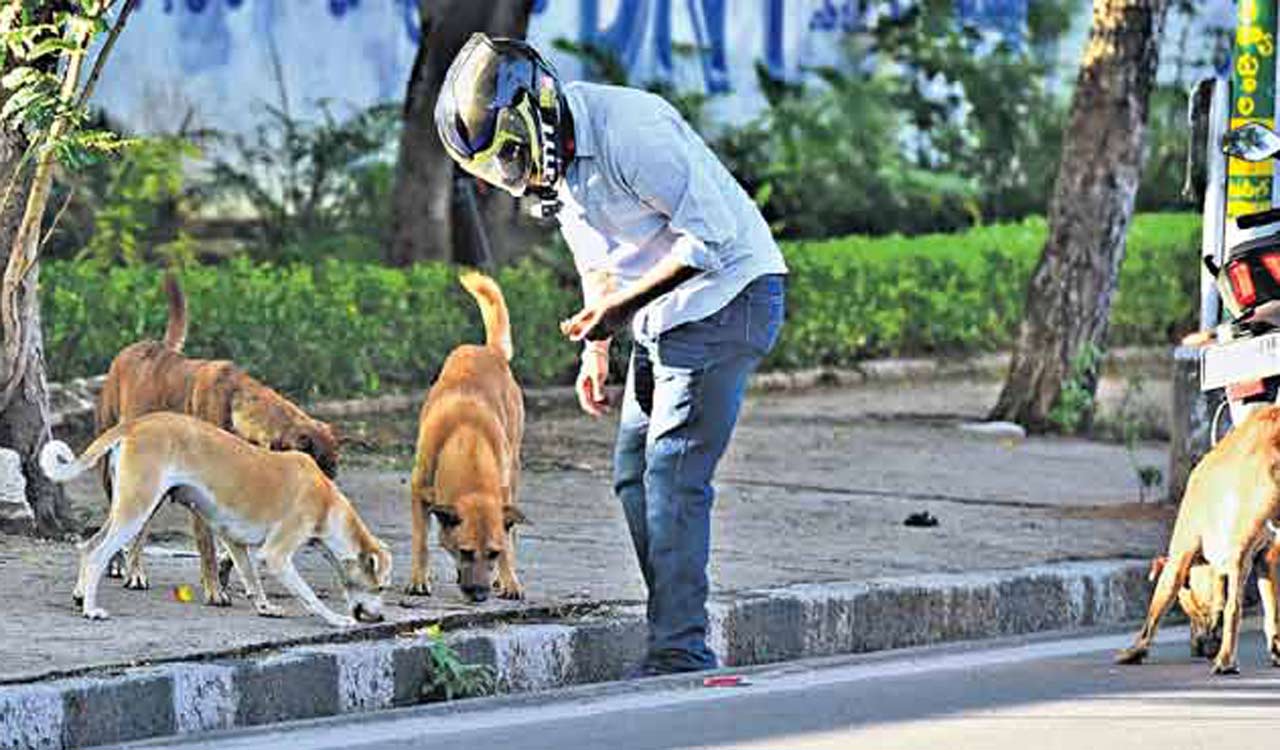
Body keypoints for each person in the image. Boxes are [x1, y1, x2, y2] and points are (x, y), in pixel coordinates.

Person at [435, 32, 787, 675]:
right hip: (666, 314)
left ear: (534, 110)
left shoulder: (633, 131)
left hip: (729, 298)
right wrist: (597, 344)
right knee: (634, 474)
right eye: (494, 169)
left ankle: (680, 646)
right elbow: (596, 257)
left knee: (673, 479)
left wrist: (619, 314)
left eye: (507, 157)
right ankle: (676, 623)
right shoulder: (560, 169)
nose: (510, 179)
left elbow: (712, 237)